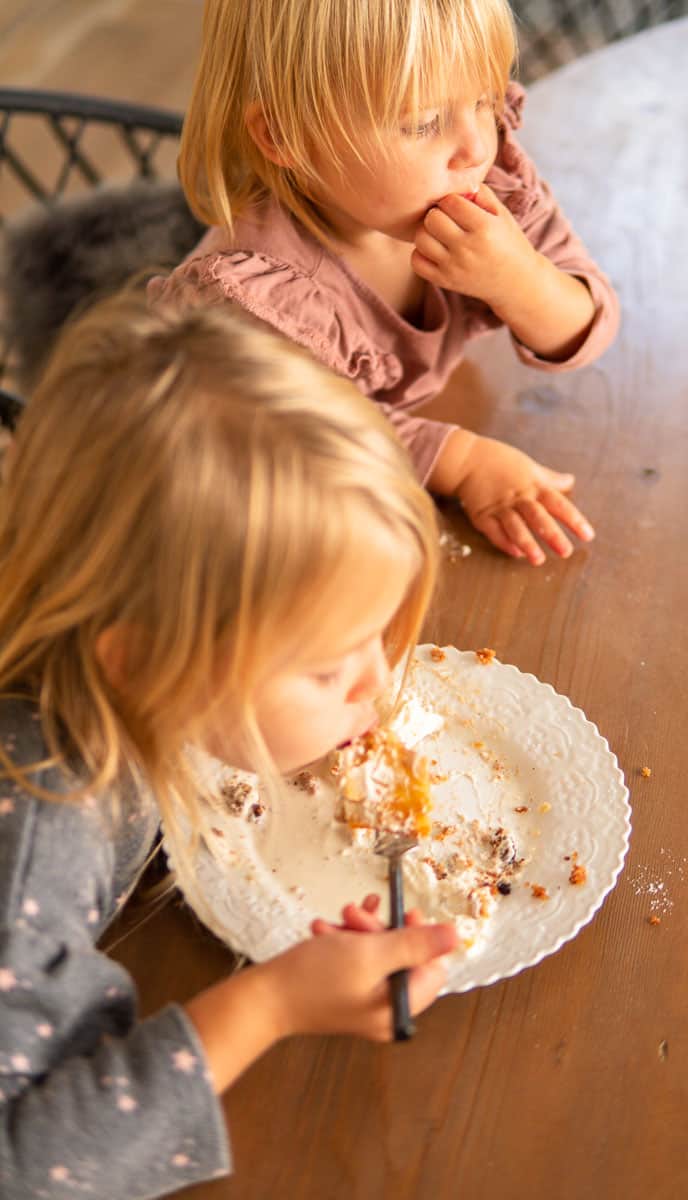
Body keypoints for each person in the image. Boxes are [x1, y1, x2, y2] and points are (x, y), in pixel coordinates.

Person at [0, 294, 458, 1200]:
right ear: (141, 662)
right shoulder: (38, 842)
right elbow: (21, 1165)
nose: (378, 684)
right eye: (329, 670)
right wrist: (270, 1004)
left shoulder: (112, 628)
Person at [149, 0, 620, 568]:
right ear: (286, 134)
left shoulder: (488, 175)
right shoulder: (252, 297)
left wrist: (520, 278)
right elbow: (300, 440)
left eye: (484, 99)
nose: (475, 146)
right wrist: (463, 461)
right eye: (423, 122)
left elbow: (585, 321)